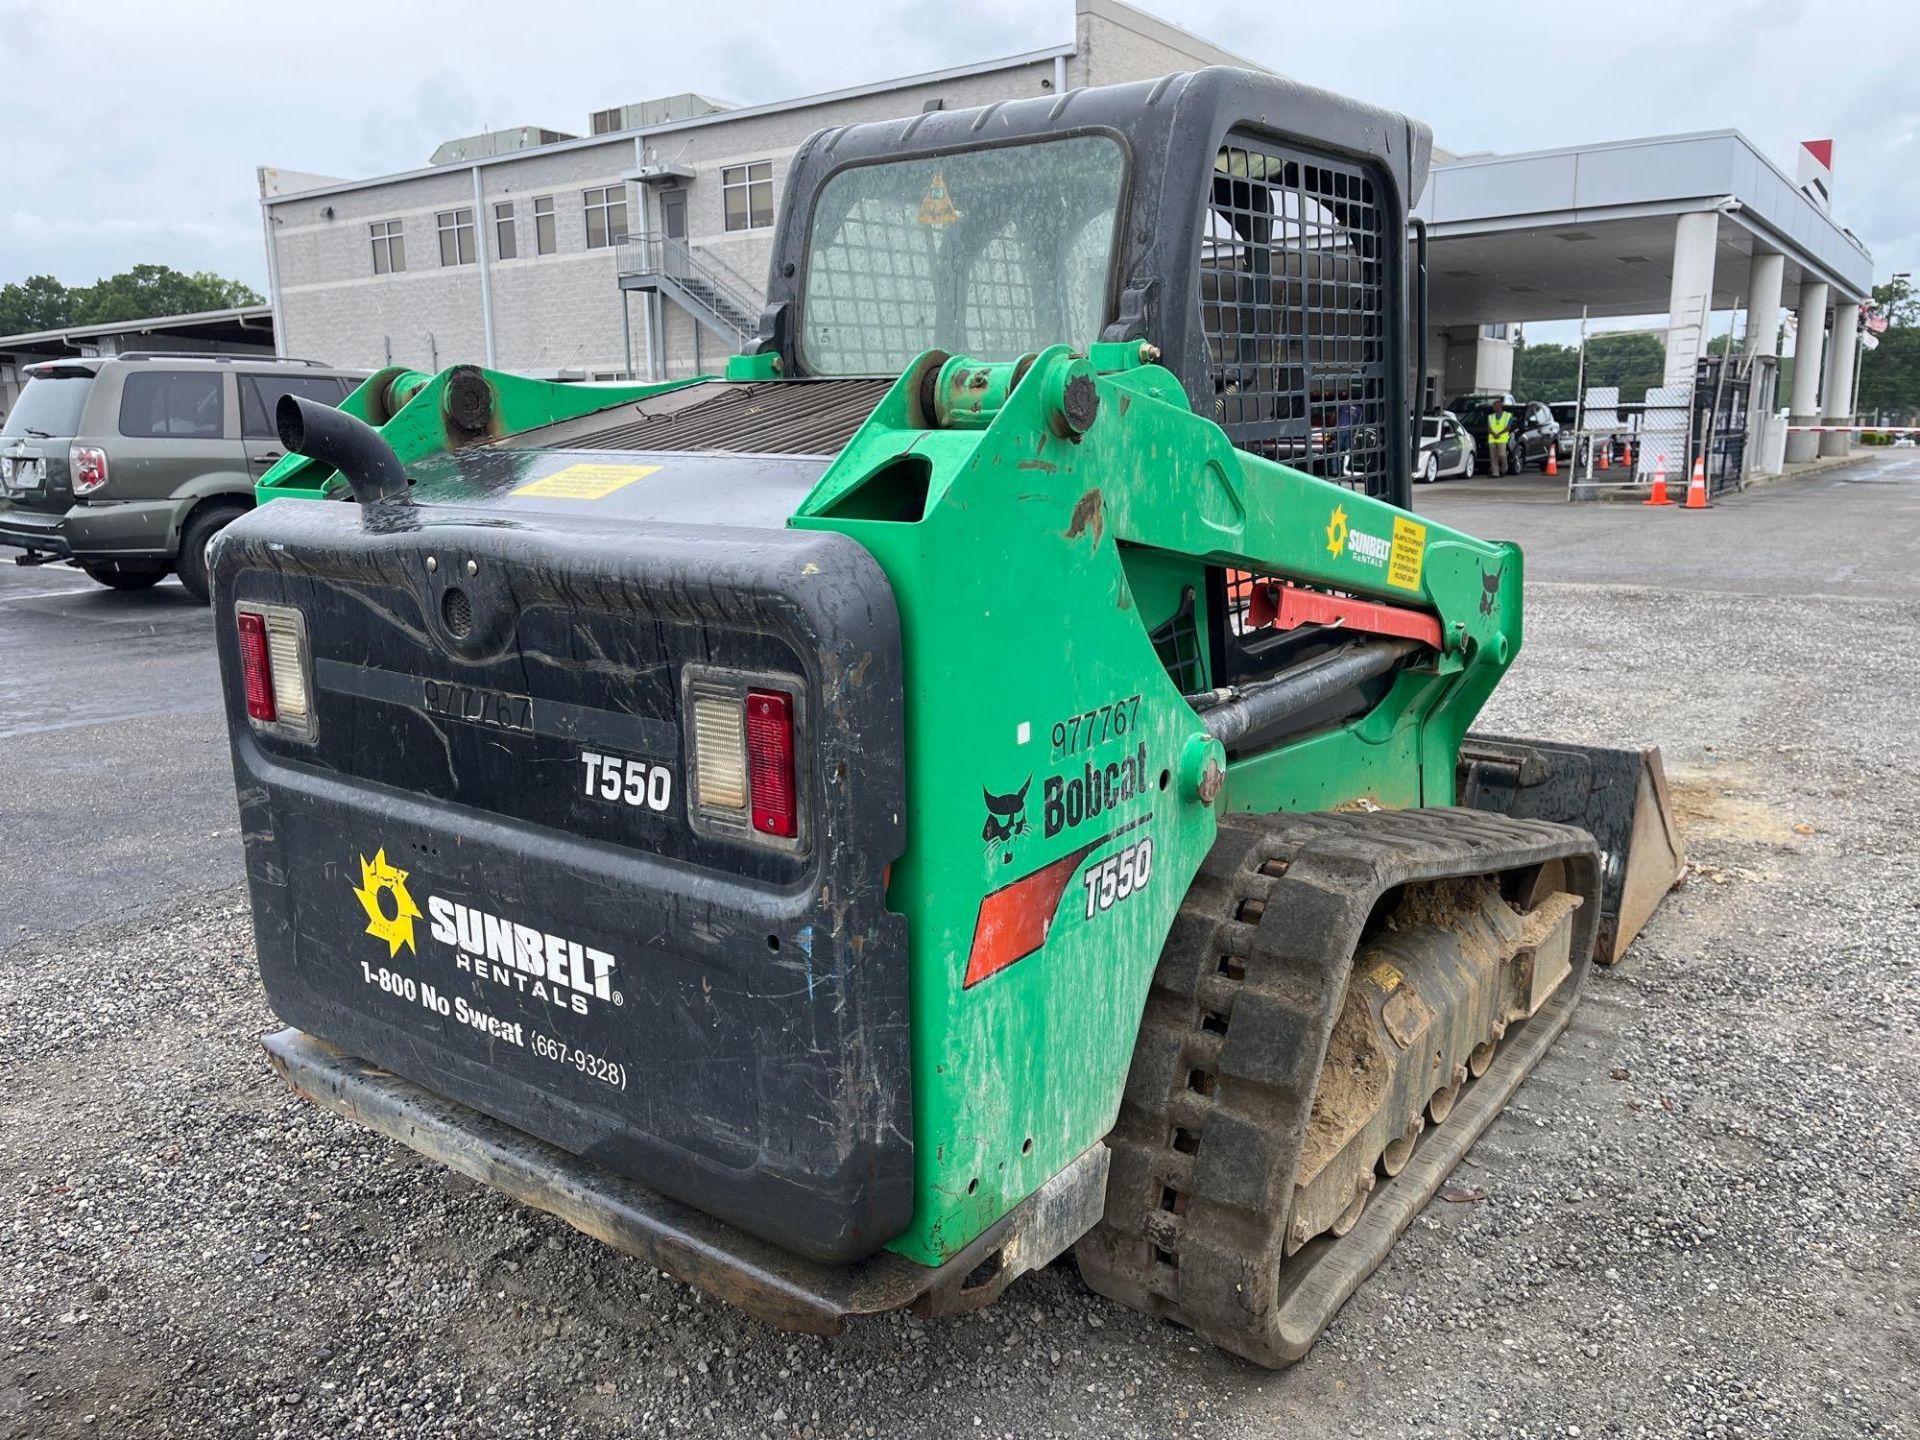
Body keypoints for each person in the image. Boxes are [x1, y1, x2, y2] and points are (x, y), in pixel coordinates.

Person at [1486, 398, 1514, 477]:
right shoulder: (1490, 416)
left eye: (1495, 406)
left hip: (1502, 438)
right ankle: (1495, 473)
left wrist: (1499, 434)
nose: (1493, 407)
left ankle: (1504, 468)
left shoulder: (1507, 415)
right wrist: (1494, 434)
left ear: (1500, 406)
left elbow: (1508, 427)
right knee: (1493, 457)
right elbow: (1489, 427)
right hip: (1492, 438)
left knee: (1502, 455)